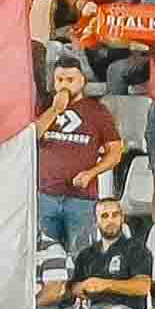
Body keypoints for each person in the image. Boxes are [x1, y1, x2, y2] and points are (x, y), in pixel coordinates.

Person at [40, 196, 151, 309]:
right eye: (104, 216)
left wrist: (104, 285)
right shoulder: (86, 254)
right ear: (96, 221)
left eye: (115, 215)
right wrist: (79, 287)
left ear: (122, 218)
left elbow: (143, 286)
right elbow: (71, 289)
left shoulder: (136, 249)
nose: (110, 221)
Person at [35, 56, 122, 251]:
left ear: (82, 80)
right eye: (59, 80)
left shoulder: (97, 111)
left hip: (81, 199)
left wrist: (91, 173)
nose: (64, 85)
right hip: (45, 195)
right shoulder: (43, 107)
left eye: (70, 80)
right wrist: (55, 109)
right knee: (45, 256)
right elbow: (32, 137)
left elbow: (115, 152)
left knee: (81, 256)